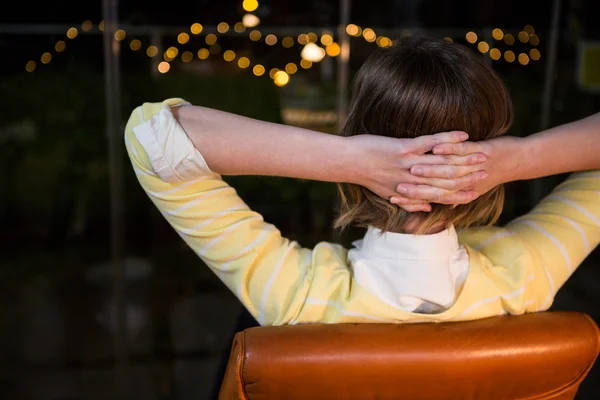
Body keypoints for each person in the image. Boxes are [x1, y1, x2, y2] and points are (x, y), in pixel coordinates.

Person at [124, 36, 599, 326]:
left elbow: (153, 137)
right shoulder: (527, 275)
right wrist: (520, 157)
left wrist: (347, 158)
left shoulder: (296, 295)